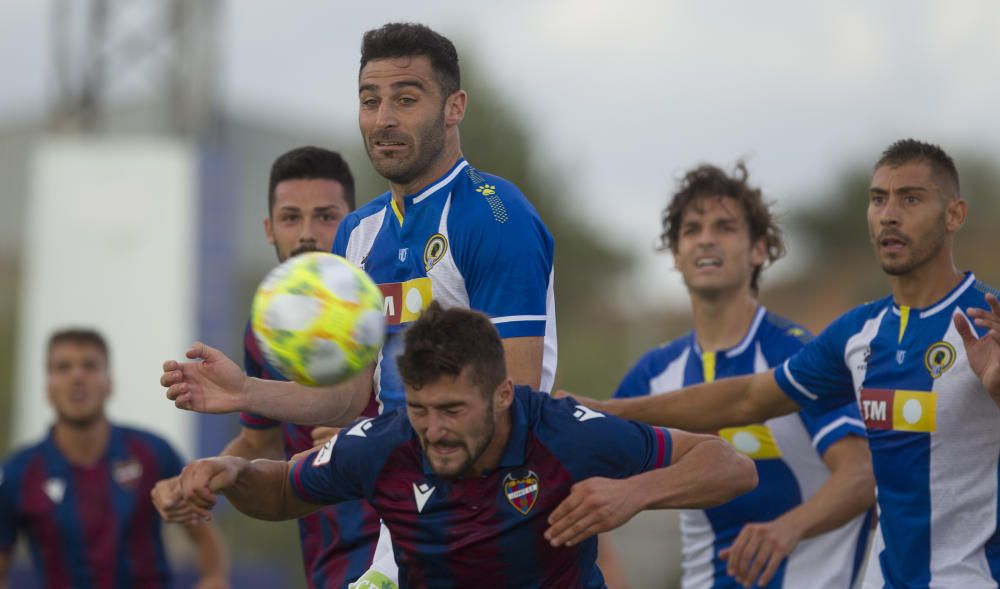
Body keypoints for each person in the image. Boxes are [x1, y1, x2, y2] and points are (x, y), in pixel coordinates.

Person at [571, 139, 1000, 588]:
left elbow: (858, 472)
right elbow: (748, 398)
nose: (889, 214)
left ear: (954, 215)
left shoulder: (990, 322)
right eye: (878, 199)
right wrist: (608, 409)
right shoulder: (856, 334)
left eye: (910, 198)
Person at [171, 303, 758, 588]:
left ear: (503, 394)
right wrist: (228, 470)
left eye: (453, 410)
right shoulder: (388, 442)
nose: (436, 430)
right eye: (422, 410)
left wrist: (636, 493)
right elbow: (280, 490)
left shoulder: (564, 433)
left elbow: (730, 466)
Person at [600, 162, 875, 588]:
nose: (706, 238)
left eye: (725, 226)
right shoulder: (653, 374)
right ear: (675, 255)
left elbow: (861, 476)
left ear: (758, 249)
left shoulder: (796, 353)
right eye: (691, 229)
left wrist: (787, 529)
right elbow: (582, 488)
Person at [153, 147, 380, 589]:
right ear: (269, 228)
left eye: (327, 217)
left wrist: (363, 441)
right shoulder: (265, 331)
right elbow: (260, 441)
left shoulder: (388, 308)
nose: (308, 234)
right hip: (326, 561)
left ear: (354, 225)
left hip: (405, 550)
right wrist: (204, 473)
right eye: (291, 218)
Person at [0, 329, 228, 589]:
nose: (77, 376)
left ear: (109, 383)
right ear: (48, 387)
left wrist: (214, 579)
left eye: (90, 366)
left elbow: (205, 537)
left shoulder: (152, 452)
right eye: (63, 367)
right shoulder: (18, 473)